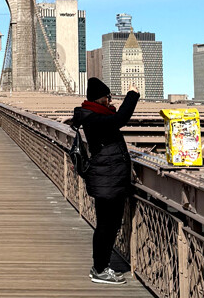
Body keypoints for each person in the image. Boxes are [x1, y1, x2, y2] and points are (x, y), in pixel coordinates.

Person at [71, 77, 139, 286]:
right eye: (108, 97)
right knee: (106, 226)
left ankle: (101, 266)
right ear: (100, 98)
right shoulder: (93, 118)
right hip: (106, 179)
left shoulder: (94, 115)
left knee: (108, 225)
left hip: (109, 178)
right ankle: (99, 269)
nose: (110, 101)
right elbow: (120, 120)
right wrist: (132, 95)